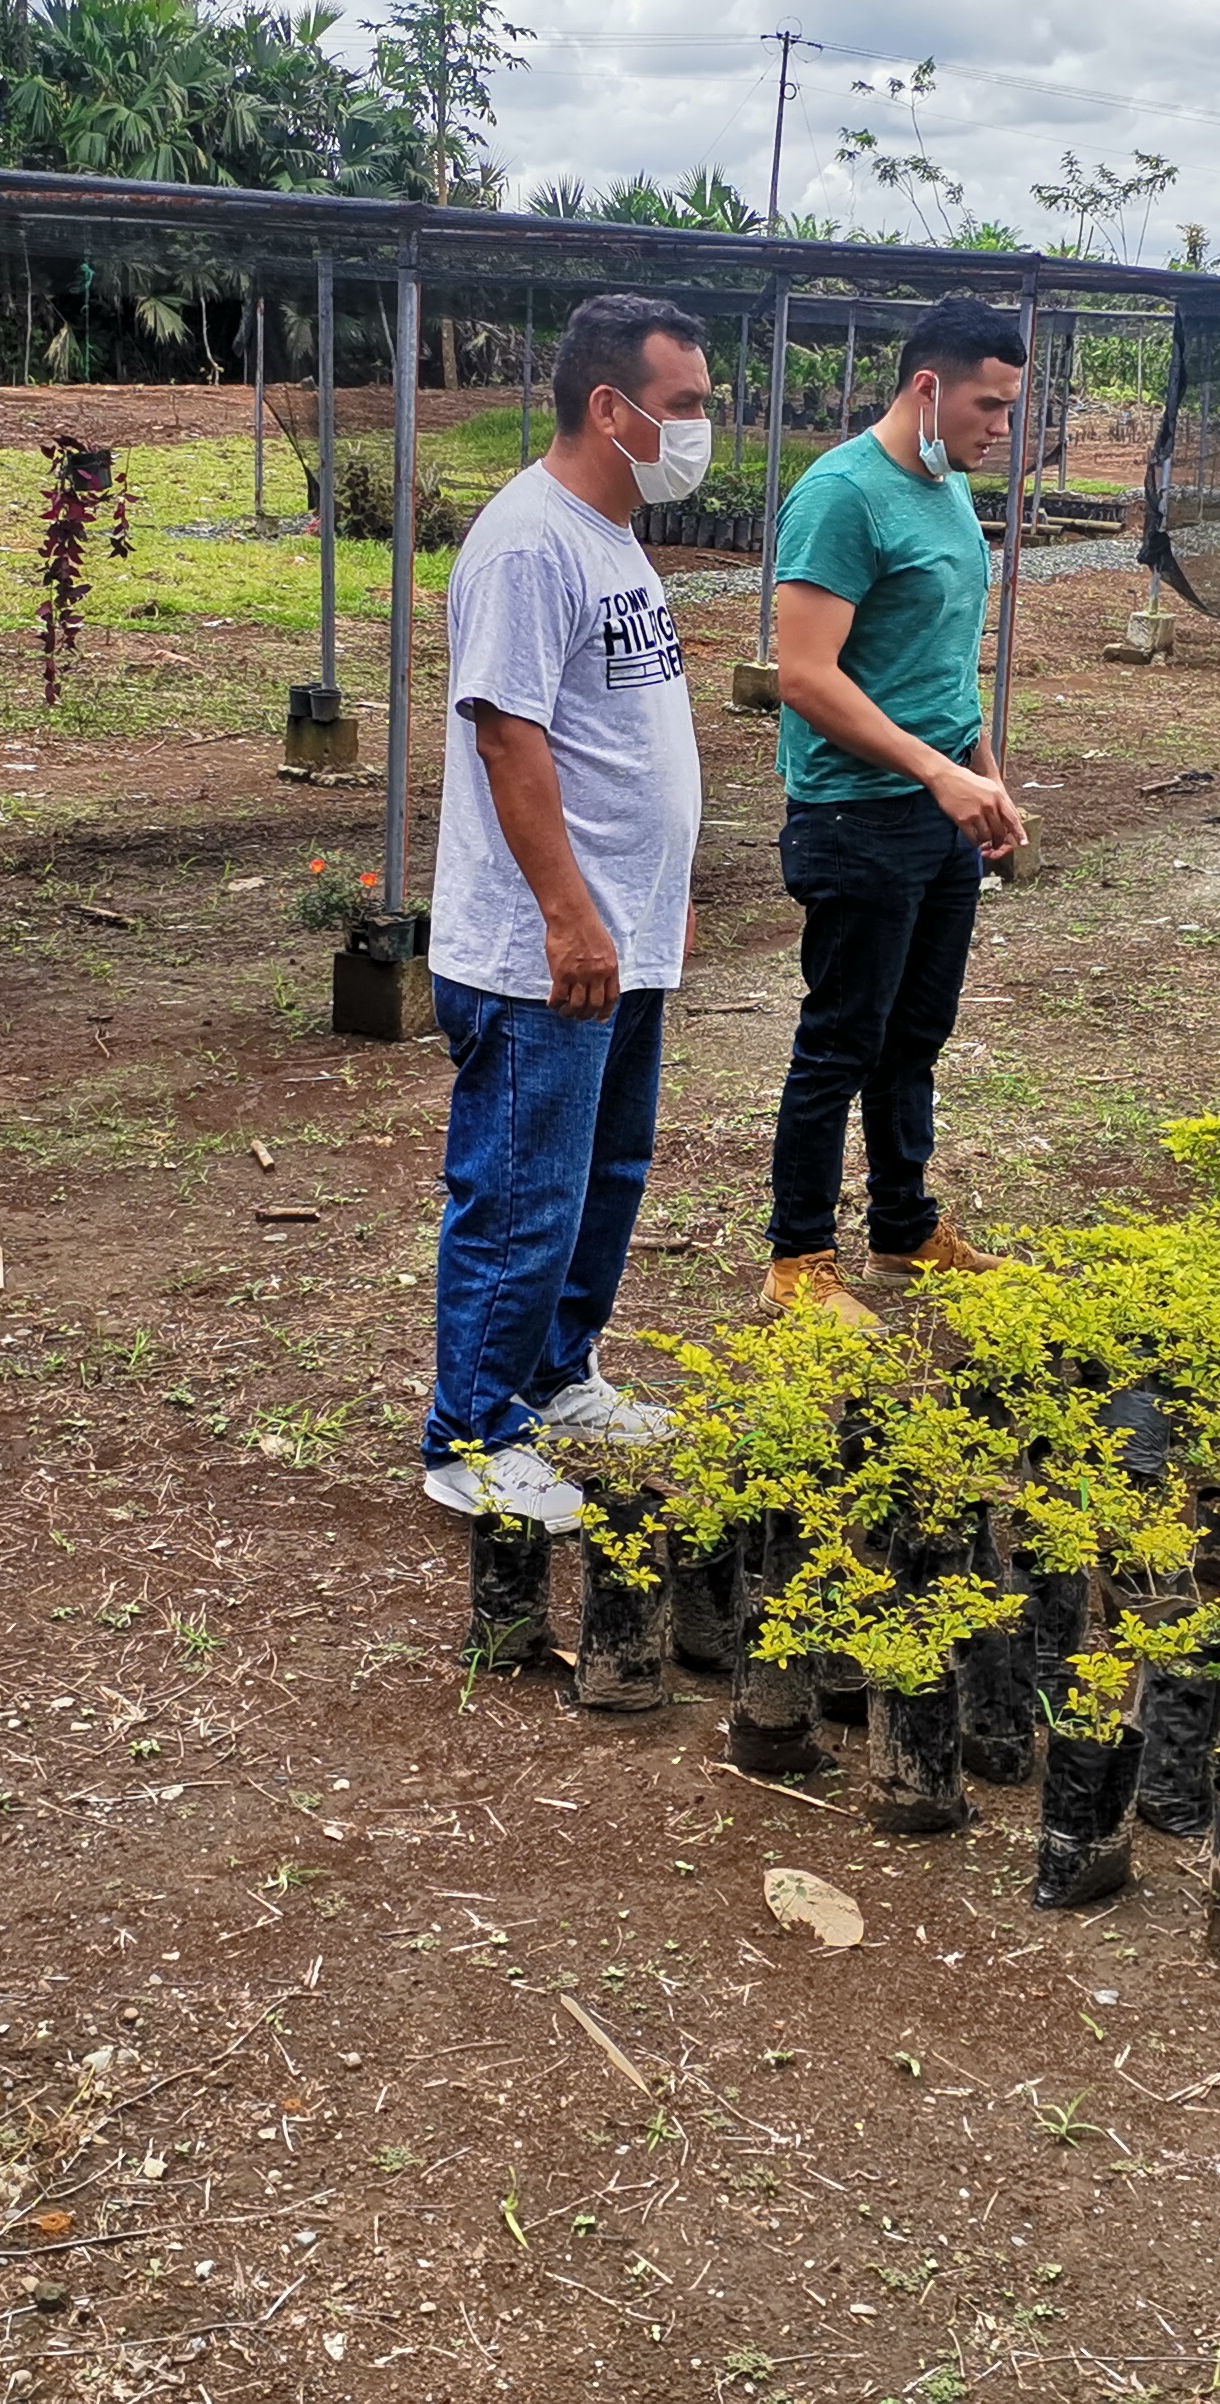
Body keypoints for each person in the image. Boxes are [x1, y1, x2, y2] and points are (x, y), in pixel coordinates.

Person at [419, 292, 714, 1529]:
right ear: (611, 406)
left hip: (621, 935)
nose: (700, 430)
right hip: (541, 953)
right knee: (523, 1194)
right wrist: (567, 914)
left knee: (604, 1174)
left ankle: (554, 1375)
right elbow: (510, 737)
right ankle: (472, 1440)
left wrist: (635, 911)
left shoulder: (610, 534)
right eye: (685, 405)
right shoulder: (530, 544)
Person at [761, 291, 1031, 1326]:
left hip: (939, 807)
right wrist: (936, 774)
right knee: (841, 1042)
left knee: (916, 1032)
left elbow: (943, 666)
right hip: (856, 817)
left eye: (1009, 409)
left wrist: (984, 775)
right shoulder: (842, 497)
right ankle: (798, 1259)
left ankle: (904, 1227)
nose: (999, 429)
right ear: (927, 386)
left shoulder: (946, 487)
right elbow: (804, 675)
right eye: (987, 406)